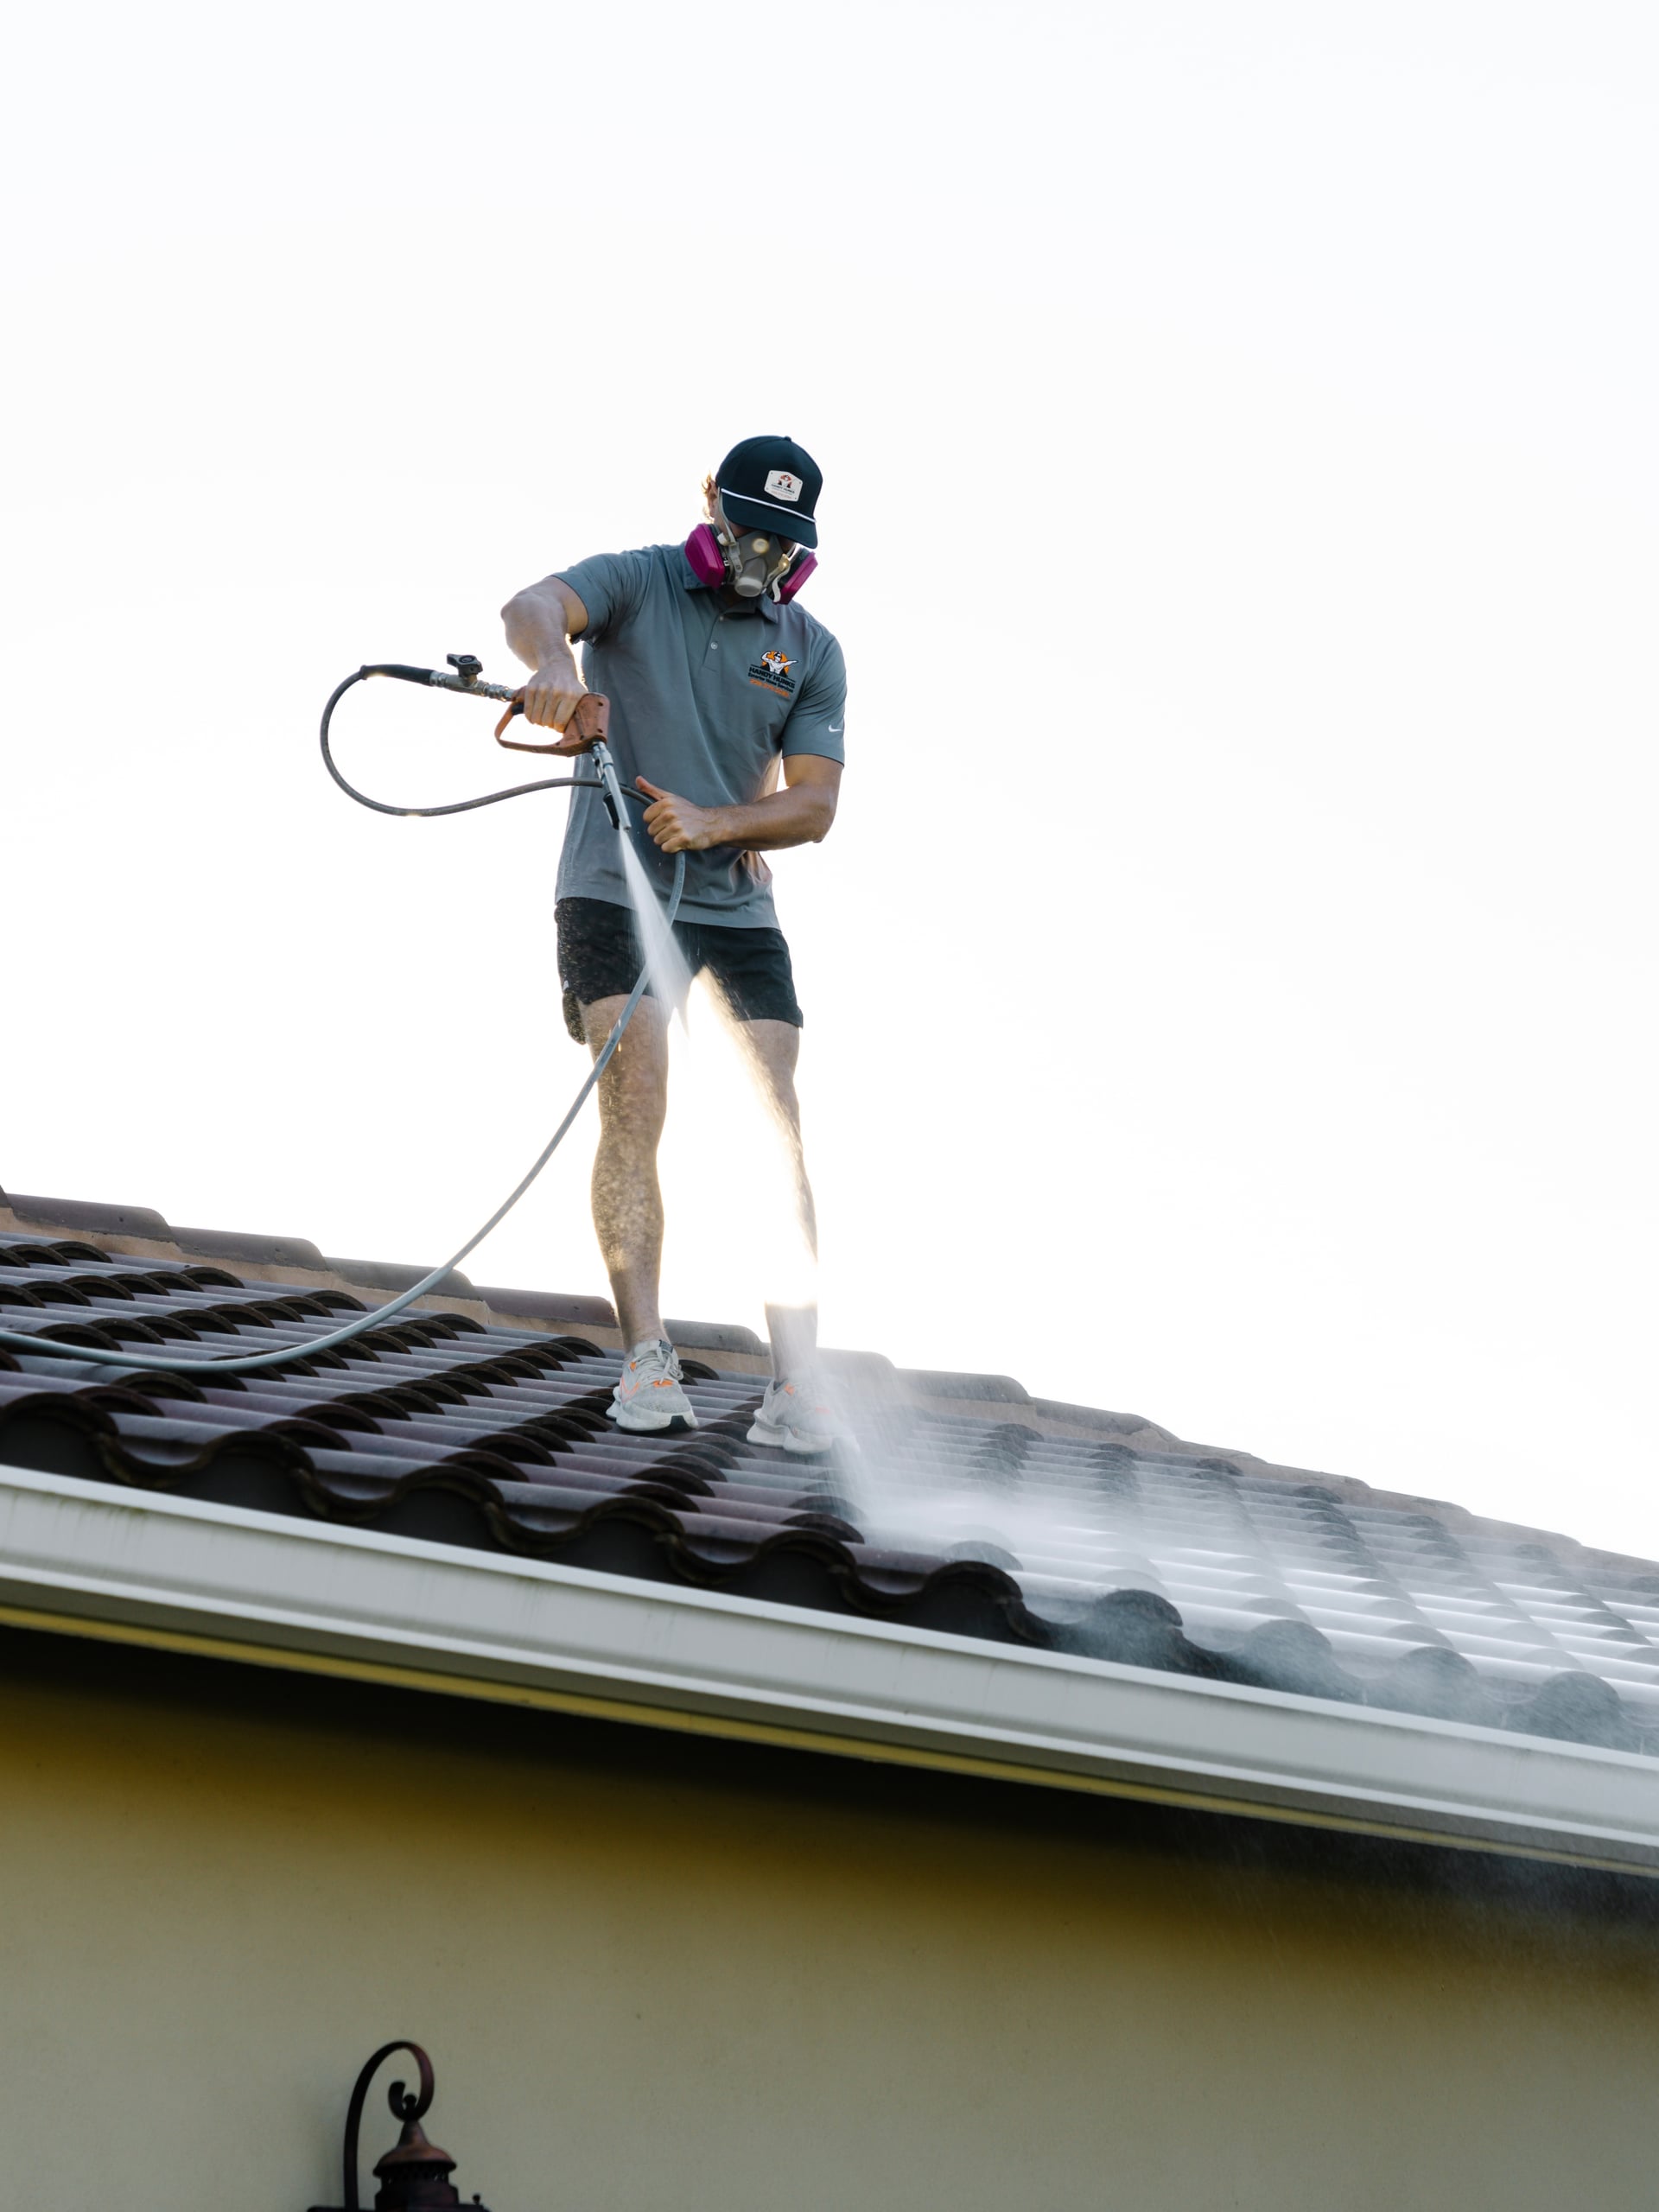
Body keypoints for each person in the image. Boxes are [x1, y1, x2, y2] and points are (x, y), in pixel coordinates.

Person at [500, 435, 847, 1453]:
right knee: (638, 1094)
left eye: (783, 541)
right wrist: (555, 663)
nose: (761, 554)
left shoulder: (810, 649)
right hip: (612, 887)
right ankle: (648, 1356)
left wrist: (717, 823)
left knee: (776, 1117)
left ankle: (798, 1383)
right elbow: (530, 603)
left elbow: (815, 804)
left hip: (734, 906)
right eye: (749, 528)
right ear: (712, 506)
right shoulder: (637, 582)